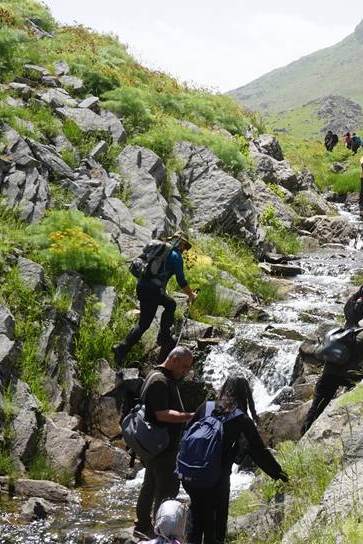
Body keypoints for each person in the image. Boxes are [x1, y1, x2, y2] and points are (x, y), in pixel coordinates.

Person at [182, 376, 289, 544]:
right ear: (244, 394)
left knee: (196, 512)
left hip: (190, 474)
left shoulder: (206, 406)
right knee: (216, 521)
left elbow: (186, 432)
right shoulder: (241, 419)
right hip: (217, 477)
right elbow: (259, 452)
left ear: (224, 389)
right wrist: (281, 475)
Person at [134, 347, 196, 538]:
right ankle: (161, 533)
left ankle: (143, 526)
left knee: (150, 485)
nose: (185, 372)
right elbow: (162, 414)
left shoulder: (156, 375)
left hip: (154, 445)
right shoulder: (160, 381)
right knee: (167, 490)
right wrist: (192, 416)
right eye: (184, 367)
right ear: (174, 360)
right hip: (163, 446)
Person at [301, 311, 363, 435]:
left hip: (329, 373)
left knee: (316, 408)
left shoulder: (350, 332)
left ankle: (304, 435)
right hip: (349, 376)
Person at [114, 233, 198, 365]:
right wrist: (191, 295)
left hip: (142, 286)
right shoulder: (176, 256)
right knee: (143, 325)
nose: (184, 249)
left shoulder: (159, 248)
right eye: (184, 246)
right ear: (180, 243)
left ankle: (163, 336)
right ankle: (120, 349)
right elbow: (181, 281)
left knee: (170, 304)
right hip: (152, 292)